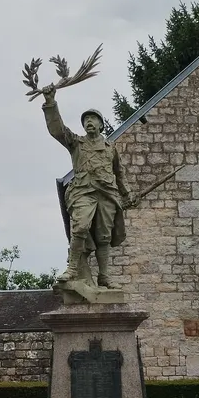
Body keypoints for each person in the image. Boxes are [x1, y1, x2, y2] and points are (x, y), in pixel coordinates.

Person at [41, 83, 134, 287]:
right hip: (83, 192)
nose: (89, 122)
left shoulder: (110, 148)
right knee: (81, 226)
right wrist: (50, 102)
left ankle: (104, 276)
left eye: (93, 119)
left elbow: (119, 173)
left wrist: (127, 194)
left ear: (101, 124)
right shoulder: (76, 143)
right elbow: (58, 130)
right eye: (86, 120)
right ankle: (73, 268)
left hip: (107, 194)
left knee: (104, 237)